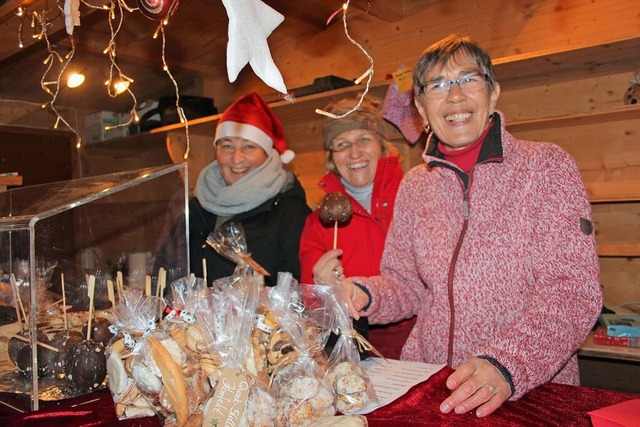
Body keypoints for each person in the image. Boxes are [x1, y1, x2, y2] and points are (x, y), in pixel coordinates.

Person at [338, 34, 602, 417]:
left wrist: (508, 363)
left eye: (468, 79)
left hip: (525, 390)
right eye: (438, 85)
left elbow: (572, 291)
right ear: (421, 108)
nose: (455, 96)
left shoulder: (545, 167)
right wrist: (364, 293)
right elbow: (408, 285)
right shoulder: (415, 185)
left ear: (493, 93)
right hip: (429, 385)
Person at [298, 96, 415, 359]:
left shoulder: (417, 198)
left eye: (364, 139)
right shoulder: (318, 224)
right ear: (331, 157)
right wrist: (322, 290)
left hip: (423, 351)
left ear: (382, 147)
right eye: (342, 144)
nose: (354, 153)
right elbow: (312, 308)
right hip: (359, 357)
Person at [158, 92, 311, 287]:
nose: (237, 159)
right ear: (217, 151)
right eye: (227, 146)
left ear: (268, 154)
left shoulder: (291, 212)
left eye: (249, 147)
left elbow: (301, 289)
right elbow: (166, 269)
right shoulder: (196, 206)